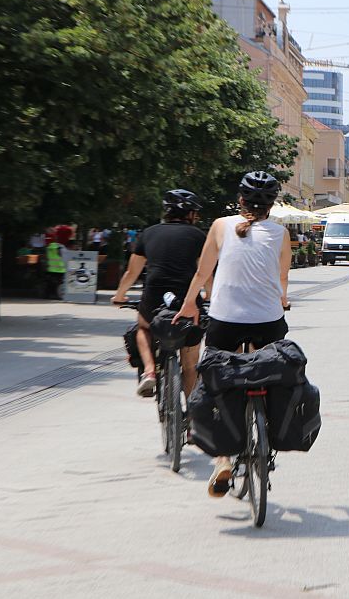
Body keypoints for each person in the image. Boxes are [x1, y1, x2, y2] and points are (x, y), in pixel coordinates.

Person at [173, 171, 291, 498]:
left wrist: (188, 306)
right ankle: (264, 423)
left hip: (225, 320)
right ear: (272, 205)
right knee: (271, 368)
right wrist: (282, 299)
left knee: (216, 380)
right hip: (268, 320)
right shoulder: (281, 234)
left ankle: (222, 458)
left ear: (240, 200)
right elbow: (282, 280)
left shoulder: (220, 226)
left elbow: (202, 272)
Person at [111, 190, 207, 399]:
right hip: (186, 298)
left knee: (143, 327)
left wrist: (120, 295)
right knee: (191, 366)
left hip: (154, 294)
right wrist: (209, 294)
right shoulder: (198, 236)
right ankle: (192, 420)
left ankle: (149, 371)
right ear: (190, 214)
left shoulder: (149, 233)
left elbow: (132, 272)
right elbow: (204, 271)